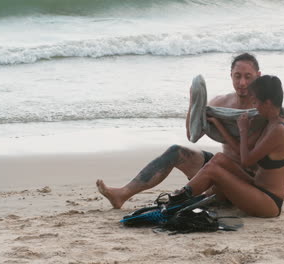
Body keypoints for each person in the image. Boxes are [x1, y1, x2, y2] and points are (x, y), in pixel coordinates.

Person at [96, 53, 262, 209]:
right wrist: (193, 103)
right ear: (230, 75)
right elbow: (192, 135)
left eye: (248, 77)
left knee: (212, 184)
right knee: (177, 151)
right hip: (220, 166)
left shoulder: (263, 108)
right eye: (237, 76)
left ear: (258, 76)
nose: (242, 83)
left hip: (245, 179)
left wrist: (219, 125)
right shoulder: (220, 102)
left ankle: (210, 196)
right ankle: (122, 194)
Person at [170, 75, 284, 217]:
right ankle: (185, 197)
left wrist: (243, 130)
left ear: (268, 103)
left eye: (256, 101)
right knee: (219, 158)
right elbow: (240, 152)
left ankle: (177, 201)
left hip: (268, 201)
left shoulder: (279, 130)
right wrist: (218, 124)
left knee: (212, 170)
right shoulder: (270, 122)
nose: (253, 104)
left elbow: (246, 161)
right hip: (256, 187)